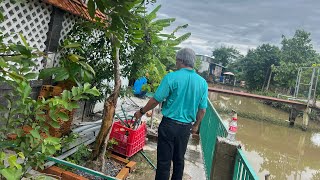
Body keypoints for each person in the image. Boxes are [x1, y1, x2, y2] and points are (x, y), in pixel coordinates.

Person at [134, 48, 208, 180]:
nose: (176, 64)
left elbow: (156, 100)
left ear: (181, 61)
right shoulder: (202, 83)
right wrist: (196, 126)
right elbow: (202, 110)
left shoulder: (171, 77)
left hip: (168, 125)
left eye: (176, 61)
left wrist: (141, 112)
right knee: (179, 161)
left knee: (164, 162)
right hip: (185, 128)